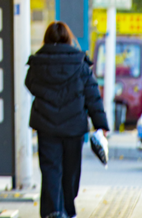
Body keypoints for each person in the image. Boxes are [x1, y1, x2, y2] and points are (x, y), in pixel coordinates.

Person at [25, 21, 109, 218]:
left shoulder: (38, 64)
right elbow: (92, 96)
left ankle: (53, 211)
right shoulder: (80, 64)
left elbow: (30, 84)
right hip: (74, 128)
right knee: (71, 172)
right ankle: (67, 210)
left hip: (46, 127)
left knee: (51, 170)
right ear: (68, 38)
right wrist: (101, 125)